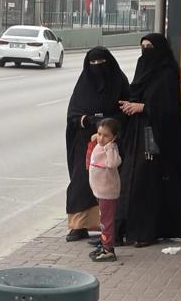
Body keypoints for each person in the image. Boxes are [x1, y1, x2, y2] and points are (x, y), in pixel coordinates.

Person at [115, 33, 181, 247]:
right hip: (137, 135)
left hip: (156, 138)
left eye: (150, 47)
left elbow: (169, 109)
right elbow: (137, 93)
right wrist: (130, 105)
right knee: (131, 181)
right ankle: (129, 230)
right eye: (143, 46)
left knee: (146, 184)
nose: (146, 51)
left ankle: (146, 232)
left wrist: (143, 107)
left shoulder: (167, 74)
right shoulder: (143, 68)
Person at [65, 47, 130, 242]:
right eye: (92, 64)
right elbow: (73, 114)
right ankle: (79, 225)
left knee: (109, 183)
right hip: (85, 143)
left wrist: (108, 123)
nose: (96, 68)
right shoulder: (83, 84)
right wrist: (87, 120)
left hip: (111, 144)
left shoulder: (119, 82)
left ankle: (109, 227)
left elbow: (125, 110)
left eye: (100, 63)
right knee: (81, 182)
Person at [88, 118, 122, 262]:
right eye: (99, 134)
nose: (101, 138)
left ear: (114, 137)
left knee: (106, 222)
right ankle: (105, 244)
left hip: (107, 192)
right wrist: (96, 139)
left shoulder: (111, 149)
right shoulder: (99, 144)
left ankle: (108, 249)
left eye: (106, 135)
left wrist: (109, 146)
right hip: (99, 191)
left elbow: (114, 163)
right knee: (103, 220)